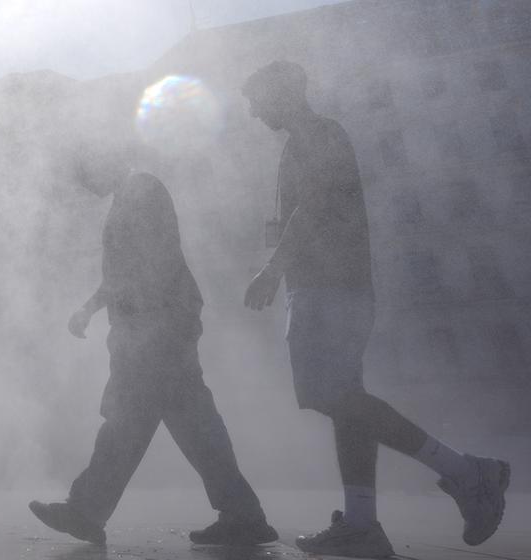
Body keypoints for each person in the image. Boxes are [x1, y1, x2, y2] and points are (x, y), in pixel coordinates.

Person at [241, 60, 510, 558]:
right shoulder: (301, 144)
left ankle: (468, 472)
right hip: (328, 287)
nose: (254, 112)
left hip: (330, 288)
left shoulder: (320, 135)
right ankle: (363, 522)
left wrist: (273, 269)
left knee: (329, 395)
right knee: (346, 403)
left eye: (257, 100)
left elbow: (314, 206)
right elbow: (298, 213)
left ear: (282, 93)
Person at [29, 161, 277, 548]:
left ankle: (86, 510)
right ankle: (244, 515)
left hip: (157, 328)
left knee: (130, 420)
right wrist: (91, 308)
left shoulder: (142, 190)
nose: (83, 183)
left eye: (84, 172)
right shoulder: (126, 197)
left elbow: (151, 265)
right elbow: (121, 274)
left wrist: (141, 328)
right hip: (155, 328)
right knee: (191, 424)